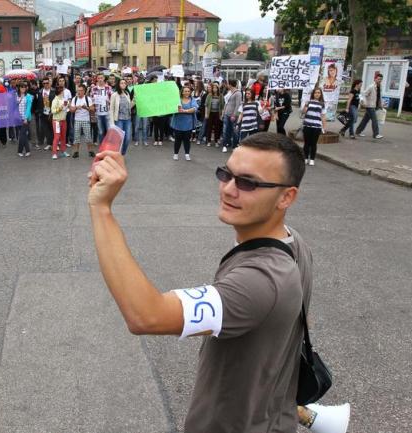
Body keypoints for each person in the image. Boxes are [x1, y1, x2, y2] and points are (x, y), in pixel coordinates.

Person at [88, 132, 311, 433]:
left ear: (287, 196)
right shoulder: (293, 241)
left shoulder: (262, 281)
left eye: (248, 183)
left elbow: (146, 315)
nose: (229, 190)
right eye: (225, 174)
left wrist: (101, 209)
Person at [170, 86, 198, 161]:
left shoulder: (192, 100)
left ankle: (187, 154)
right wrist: (177, 109)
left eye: (188, 91)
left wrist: (184, 111)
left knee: (187, 140)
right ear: (182, 92)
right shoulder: (177, 100)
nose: (187, 93)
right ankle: (176, 154)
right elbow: (172, 108)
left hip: (188, 124)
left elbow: (194, 109)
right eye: (185, 91)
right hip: (178, 123)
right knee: (177, 139)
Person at [301, 87, 327, 166]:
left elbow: (323, 116)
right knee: (306, 143)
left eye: (319, 93)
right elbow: (303, 112)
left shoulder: (322, 104)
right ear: (313, 94)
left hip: (317, 127)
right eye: (316, 93)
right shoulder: (308, 102)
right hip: (307, 125)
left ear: (321, 94)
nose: (317, 94)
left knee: (313, 143)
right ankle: (305, 158)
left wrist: (324, 127)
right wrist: (305, 105)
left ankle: (312, 159)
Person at [70, 83, 96, 158]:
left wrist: (86, 107)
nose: (79, 92)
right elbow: (71, 110)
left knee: (88, 136)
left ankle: (90, 151)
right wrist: (76, 108)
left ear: (84, 91)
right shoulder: (74, 99)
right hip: (77, 120)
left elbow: (93, 109)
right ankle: (76, 152)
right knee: (76, 137)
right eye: (78, 90)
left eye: (81, 91)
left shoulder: (88, 99)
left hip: (86, 120)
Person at [109, 78, 135, 155]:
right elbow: (111, 109)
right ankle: (118, 154)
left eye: (124, 83)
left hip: (127, 119)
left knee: (127, 139)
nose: (123, 84)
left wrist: (134, 100)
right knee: (119, 139)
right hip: (119, 120)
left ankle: (122, 153)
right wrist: (112, 123)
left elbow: (129, 106)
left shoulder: (127, 93)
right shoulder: (114, 95)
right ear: (118, 85)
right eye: (121, 83)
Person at [355, 73, 384, 139]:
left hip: (374, 106)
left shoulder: (380, 86)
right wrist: (364, 102)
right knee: (375, 120)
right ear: (375, 79)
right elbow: (364, 94)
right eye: (378, 79)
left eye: (381, 79)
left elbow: (379, 97)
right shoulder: (371, 87)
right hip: (370, 106)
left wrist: (380, 105)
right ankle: (376, 134)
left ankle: (358, 131)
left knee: (365, 120)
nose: (379, 80)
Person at [221, 79, 242, 153]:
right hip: (227, 113)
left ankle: (235, 145)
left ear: (230, 84)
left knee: (234, 131)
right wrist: (223, 113)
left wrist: (234, 115)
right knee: (225, 130)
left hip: (233, 115)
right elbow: (226, 103)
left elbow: (238, 105)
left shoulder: (238, 93)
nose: (227, 85)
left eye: (227, 84)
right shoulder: (229, 92)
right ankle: (225, 145)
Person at [91, 73, 112, 144]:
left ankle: (108, 146)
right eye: (98, 78)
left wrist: (108, 101)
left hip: (107, 112)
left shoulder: (108, 88)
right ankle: (102, 145)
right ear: (97, 79)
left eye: (101, 78)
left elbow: (112, 99)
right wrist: (93, 106)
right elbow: (92, 100)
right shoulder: (94, 88)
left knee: (109, 130)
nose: (100, 79)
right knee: (100, 131)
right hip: (98, 113)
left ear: (104, 79)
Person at [50, 86, 70, 160]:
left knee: (63, 137)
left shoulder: (63, 99)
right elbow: (53, 111)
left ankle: (63, 151)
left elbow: (66, 109)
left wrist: (67, 106)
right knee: (57, 137)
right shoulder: (55, 100)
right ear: (60, 92)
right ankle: (54, 153)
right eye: (62, 91)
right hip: (57, 121)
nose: (63, 92)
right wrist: (61, 108)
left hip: (63, 120)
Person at [36, 77, 55, 151]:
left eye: (47, 83)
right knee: (46, 130)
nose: (45, 84)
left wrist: (53, 111)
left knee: (52, 129)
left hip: (52, 113)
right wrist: (39, 112)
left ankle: (54, 143)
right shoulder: (40, 92)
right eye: (44, 83)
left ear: (49, 83)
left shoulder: (54, 91)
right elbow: (38, 103)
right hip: (43, 114)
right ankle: (49, 144)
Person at [16, 82, 33, 157]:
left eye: (24, 87)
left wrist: (25, 118)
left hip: (25, 118)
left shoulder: (29, 96)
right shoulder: (15, 95)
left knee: (22, 134)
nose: (23, 88)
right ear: (19, 88)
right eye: (21, 87)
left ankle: (19, 150)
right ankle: (27, 150)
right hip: (17, 118)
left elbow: (29, 108)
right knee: (23, 135)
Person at [205, 82, 224, 147]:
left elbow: (222, 106)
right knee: (209, 127)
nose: (214, 89)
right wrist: (206, 114)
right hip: (210, 113)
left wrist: (221, 115)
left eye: (216, 88)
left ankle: (216, 141)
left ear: (218, 89)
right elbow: (206, 105)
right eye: (213, 88)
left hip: (217, 113)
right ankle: (209, 141)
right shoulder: (209, 95)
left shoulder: (220, 95)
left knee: (217, 128)